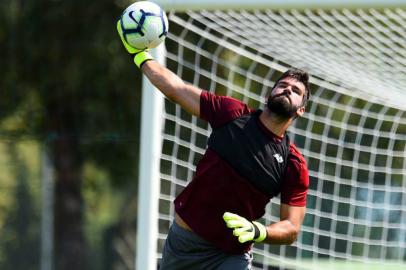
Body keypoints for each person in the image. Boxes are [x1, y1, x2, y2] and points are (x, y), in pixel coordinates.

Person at [117, 21, 310, 270]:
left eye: (295, 90)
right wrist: (140, 56)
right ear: (268, 94)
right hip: (184, 246)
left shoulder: (294, 165)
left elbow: (291, 228)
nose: (287, 90)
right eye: (282, 85)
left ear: (301, 110)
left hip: (231, 256)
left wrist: (257, 230)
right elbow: (177, 89)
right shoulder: (232, 113)